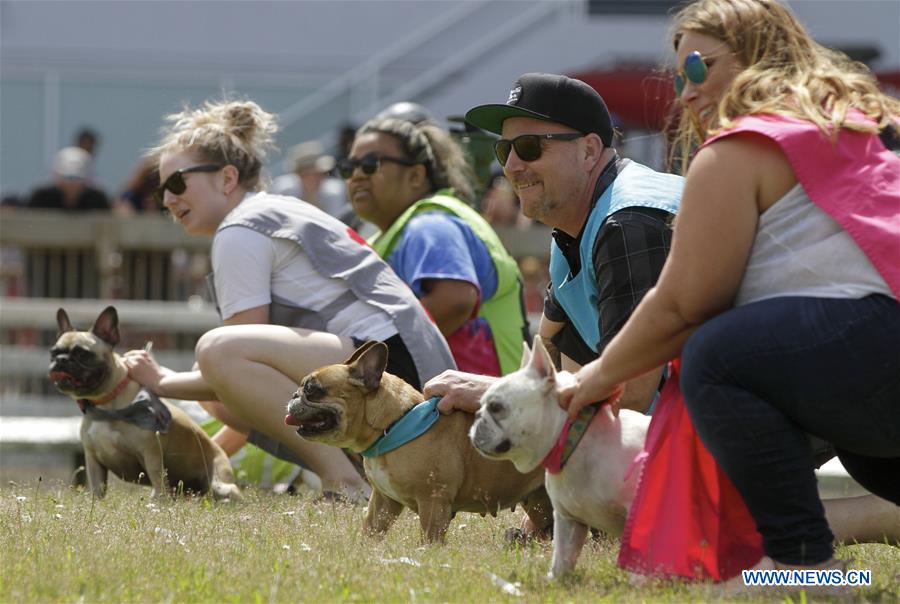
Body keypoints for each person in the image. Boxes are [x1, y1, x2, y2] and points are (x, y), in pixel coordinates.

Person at [560, 0, 900, 587]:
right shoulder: (855, 127)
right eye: (676, 77)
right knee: (865, 449)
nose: (684, 92)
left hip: (869, 353)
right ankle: (819, 577)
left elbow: (683, 305)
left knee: (716, 353)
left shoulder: (738, 149)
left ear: (761, 61)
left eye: (698, 67)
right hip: (871, 371)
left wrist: (593, 380)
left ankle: (804, 569)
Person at [123, 99, 456, 501]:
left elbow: (226, 363)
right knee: (217, 373)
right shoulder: (273, 209)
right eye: (161, 190)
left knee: (214, 352)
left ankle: (345, 485)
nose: (168, 200)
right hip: (414, 372)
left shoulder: (239, 229)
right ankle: (360, 478)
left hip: (392, 373)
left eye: (177, 183)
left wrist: (162, 380)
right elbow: (240, 392)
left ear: (227, 178)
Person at [425, 73, 681, 413]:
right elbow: (546, 365)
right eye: (504, 150)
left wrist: (490, 392)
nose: (512, 167)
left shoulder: (627, 222)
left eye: (530, 147)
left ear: (589, 150)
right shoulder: (577, 223)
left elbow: (630, 396)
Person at [343, 115, 530, 377]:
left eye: (371, 164)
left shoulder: (431, 226)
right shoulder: (393, 234)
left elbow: (455, 300)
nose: (357, 175)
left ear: (416, 175)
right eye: (348, 168)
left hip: (482, 407)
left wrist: (372, 353)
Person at [270, 140, 353, 224]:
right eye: (313, 174)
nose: (321, 177)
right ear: (300, 175)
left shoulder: (334, 191)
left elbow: (336, 222)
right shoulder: (284, 190)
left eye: (321, 173)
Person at [28, 146, 110, 212]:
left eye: (77, 178)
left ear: (86, 181)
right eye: (68, 178)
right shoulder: (41, 199)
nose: (72, 184)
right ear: (58, 178)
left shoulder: (98, 201)